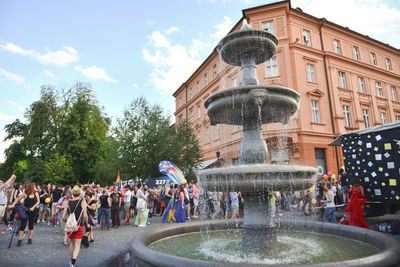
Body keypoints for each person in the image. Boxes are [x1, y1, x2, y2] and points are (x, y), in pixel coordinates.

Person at [62, 185, 90, 267]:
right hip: (79, 225)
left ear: (73, 193)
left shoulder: (68, 202)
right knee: (77, 245)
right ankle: (73, 263)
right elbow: (85, 215)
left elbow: (63, 217)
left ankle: (71, 260)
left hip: (70, 226)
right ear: (80, 193)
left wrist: (67, 222)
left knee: (71, 244)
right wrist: (87, 223)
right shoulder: (82, 201)